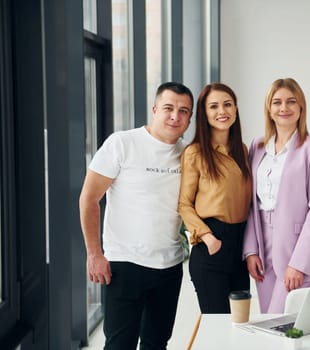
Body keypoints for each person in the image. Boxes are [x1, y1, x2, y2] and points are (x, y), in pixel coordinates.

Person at [79, 81, 193, 349]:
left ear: (190, 118)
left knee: (157, 343)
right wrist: (94, 254)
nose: (175, 116)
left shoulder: (188, 154)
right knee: (120, 344)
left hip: (169, 265)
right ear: (155, 109)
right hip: (124, 264)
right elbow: (88, 199)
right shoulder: (123, 143)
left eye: (184, 111)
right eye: (168, 108)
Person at [243, 78, 310, 313]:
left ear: (301, 107)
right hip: (263, 249)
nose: (284, 108)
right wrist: (251, 250)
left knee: (280, 324)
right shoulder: (257, 145)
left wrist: (299, 263)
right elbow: (251, 204)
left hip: (295, 248)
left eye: (291, 102)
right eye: (277, 102)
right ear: (269, 109)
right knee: (267, 321)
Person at [178, 83, 252, 313]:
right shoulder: (195, 153)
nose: (222, 111)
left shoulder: (242, 150)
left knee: (240, 324)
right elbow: (184, 204)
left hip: (239, 247)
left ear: (236, 110)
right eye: (214, 106)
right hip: (212, 245)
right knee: (216, 325)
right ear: (204, 113)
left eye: (227, 104)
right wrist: (208, 238)